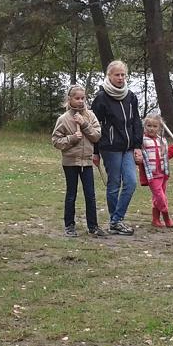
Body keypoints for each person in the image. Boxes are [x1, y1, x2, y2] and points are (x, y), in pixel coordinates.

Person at [90, 59, 142, 235]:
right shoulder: (101, 98)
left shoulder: (131, 97)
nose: (120, 78)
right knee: (114, 184)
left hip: (128, 147)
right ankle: (116, 221)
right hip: (110, 147)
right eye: (117, 75)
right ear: (109, 76)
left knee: (131, 182)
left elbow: (136, 121)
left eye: (123, 75)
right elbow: (93, 126)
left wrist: (138, 145)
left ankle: (116, 219)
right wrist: (95, 152)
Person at [51, 84, 107, 237]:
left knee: (90, 195)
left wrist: (84, 124)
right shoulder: (63, 119)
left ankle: (93, 226)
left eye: (83, 98)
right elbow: (56, 141)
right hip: (70, 162)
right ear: (69, 99)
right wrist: (71, 139)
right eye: (77, 98)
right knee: (71, 194)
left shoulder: (90, 116)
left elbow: (96, 136)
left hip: (87, 162)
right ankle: (69, 226)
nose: (80, 101)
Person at [136, 113, 173, 228]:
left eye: (155, 126)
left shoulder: (162, 141)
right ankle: (166, 217)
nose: (151, 128)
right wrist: (138, 158)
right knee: (161, 197)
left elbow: (166, 156)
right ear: (145, 126)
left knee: (158, 196)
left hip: (163, 174)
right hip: (151, 175)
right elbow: (139, 156)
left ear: (160, 128)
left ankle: (155, 219)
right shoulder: (142, 141)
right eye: (149, 126)